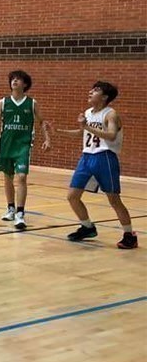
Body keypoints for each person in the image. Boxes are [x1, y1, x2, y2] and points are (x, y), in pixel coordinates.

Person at [56, 81, 137, 249]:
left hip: (105, 157)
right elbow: (81, 133)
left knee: (114, 199)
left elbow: (112, 135)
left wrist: (86, 126)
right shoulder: (88, 113)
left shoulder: (110, 114)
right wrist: (58, 132)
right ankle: (87, 227)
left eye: (96, 90)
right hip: (86, 158)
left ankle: (129, 234)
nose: (91, 91)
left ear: (105, 97)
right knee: (72, 196)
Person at [0, 70, 51, 230]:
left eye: (18, 80)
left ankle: (20, 214)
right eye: (12, 79)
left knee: (21, 178)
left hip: (23, 146)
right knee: (7, 178)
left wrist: (47, 139)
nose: (14, 81)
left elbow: (42, 122)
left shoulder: (32, 103)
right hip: (6, 144)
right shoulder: (3, 102)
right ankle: (10, 208)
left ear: (25, 84)